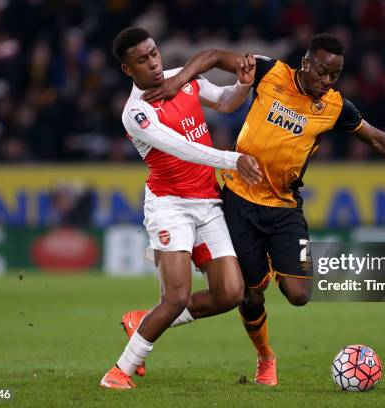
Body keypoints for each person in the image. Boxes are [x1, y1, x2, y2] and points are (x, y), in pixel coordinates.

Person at [138, 33, 385, 386]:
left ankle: (151, 320)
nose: (326, 81)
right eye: (322, 72)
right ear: (306, 63)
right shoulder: (270, 72)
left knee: (298, 294)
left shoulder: (336, 107)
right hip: (239, 202)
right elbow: (213, 55)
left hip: (285, 209)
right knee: (248, 293)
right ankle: (265, 359)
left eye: (334, 75)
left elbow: (377, 138)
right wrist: (178, 81)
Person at [100, 27, 263, 389]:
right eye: (142, 60)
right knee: (175, 298)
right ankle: (118, 373)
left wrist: (243, 86)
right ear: (128, 70)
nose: (154, 63)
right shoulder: (136, 113)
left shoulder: (181, 79)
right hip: (170, 207)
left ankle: (143, 322)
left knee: (231, 293)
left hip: (207, 202)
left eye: (154, 53)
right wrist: (230, 160)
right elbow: (179, 147)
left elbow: (223, 101)